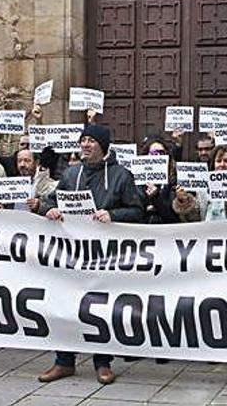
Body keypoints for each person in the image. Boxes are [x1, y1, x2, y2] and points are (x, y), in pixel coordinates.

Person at [36, 124, 145, 385]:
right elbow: (53, 202)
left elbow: (137, 210)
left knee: (100, 307)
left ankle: (102, 362)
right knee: (65, 305)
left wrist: (113, 215)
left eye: (91, 141)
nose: (85, 145)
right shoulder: (72, 174)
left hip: (104, 257)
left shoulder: (121, 175)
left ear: (103, 146)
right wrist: (48, 210)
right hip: (72, 255)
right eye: (83, 140)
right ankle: (64, 361)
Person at [172, 145, 227, 222]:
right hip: (208, 232)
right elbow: (194, 218)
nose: (222, 164)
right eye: (218, 161)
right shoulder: (203, 188)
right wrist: (184, 201)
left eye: (226, 161)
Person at [12, 148, 58, 213]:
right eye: (19, 161)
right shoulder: (11, 184)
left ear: (36, 162)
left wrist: (39, 206)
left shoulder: (48, 185)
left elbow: (55, 207)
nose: (22, 165)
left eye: (27, 160)